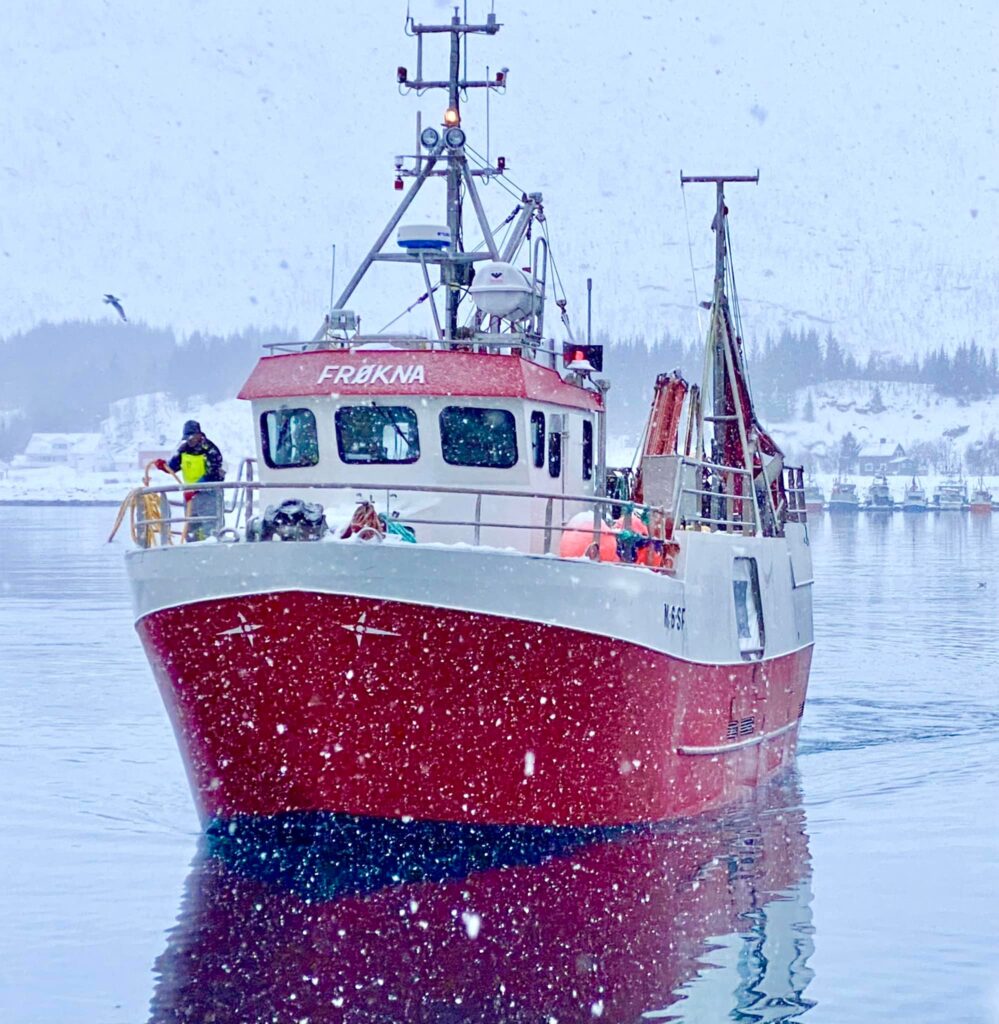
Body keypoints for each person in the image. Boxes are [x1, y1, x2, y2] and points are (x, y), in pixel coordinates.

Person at [157, 421, 224, 540]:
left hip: (209, 495)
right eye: (187, 438)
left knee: (210, 527)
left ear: (199, 435)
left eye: (192, 437)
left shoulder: (210, 449)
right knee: (192, 528)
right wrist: (163, 466)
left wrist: (197, 487)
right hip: (190, 497)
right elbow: (173, 467)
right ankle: (194, 548)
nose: (190, 440)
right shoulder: (183, 449)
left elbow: (214, 474)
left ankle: (210, 547)